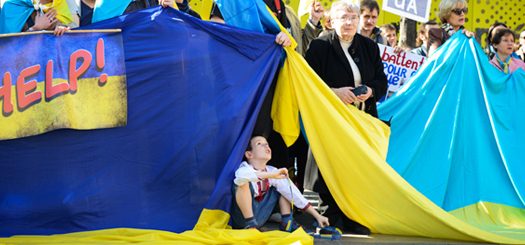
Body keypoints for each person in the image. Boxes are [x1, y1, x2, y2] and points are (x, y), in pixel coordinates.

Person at [305, 0, 387, 234]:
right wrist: (335, 93)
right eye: (343, 18)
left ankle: (353, 215)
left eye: (353, 17)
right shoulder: (320, 46)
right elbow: (309, 83)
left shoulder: (369, 47)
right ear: (332, 21)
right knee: (332, 168)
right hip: (332, 121)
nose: (349, 22)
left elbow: (381, 82)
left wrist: (371, 91)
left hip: (362, 119)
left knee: (357, 168)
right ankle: (330, 216)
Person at [231, 136, 330, 230]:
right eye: (259, 144)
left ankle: (287, 222)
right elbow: (241, 177)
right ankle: (251, 225)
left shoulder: (272, 170)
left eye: (267, 143)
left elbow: (295, 195)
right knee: (242, 183)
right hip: (242, 219)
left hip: (260, 218)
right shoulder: (244, 168)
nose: (266, 146)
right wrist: (272, 175)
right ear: (249, 154)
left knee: (285, 188)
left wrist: (318, 216)